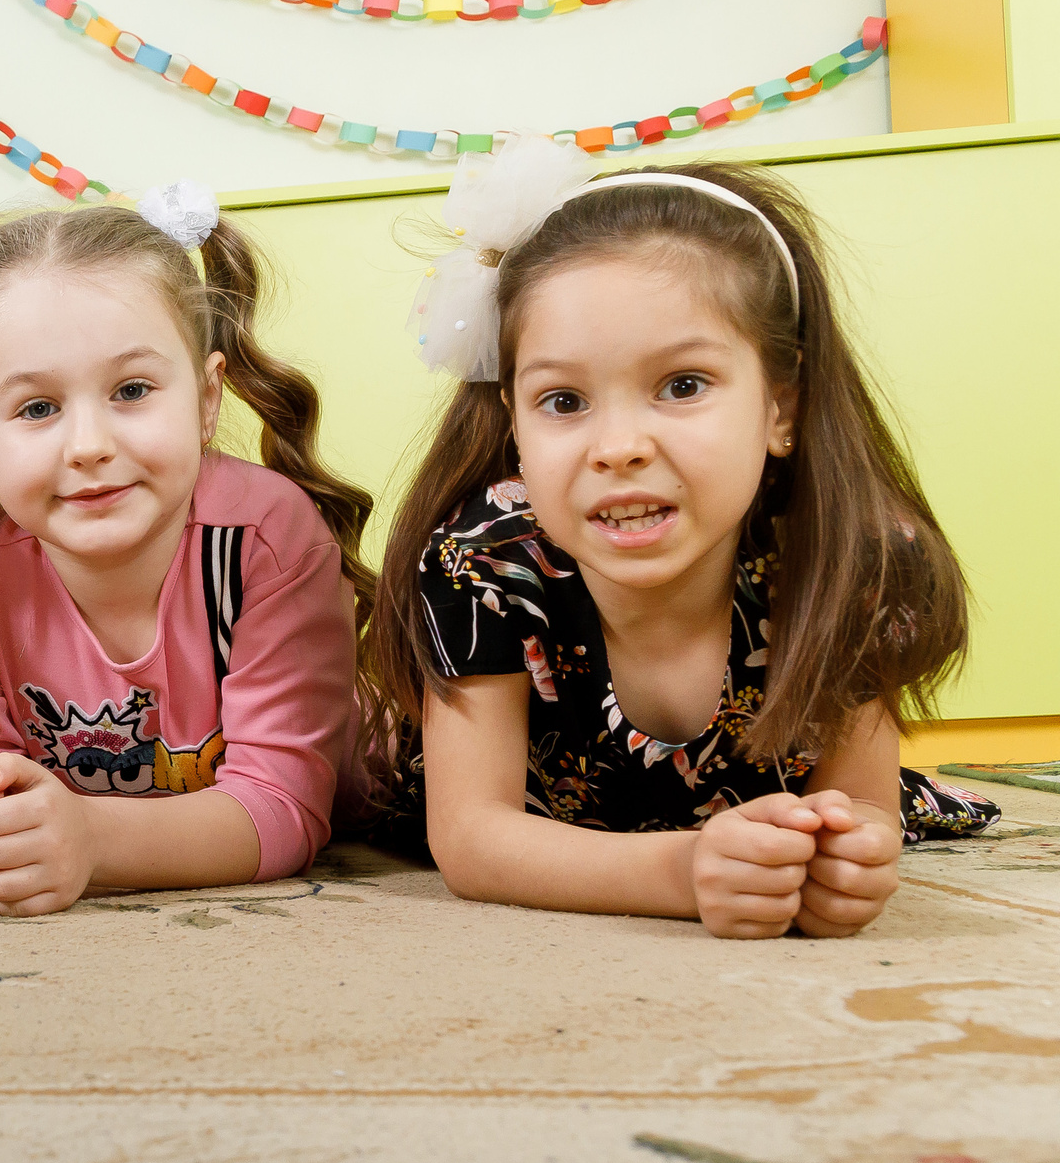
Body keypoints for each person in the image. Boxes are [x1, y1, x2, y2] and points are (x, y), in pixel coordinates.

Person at [373, 138, 998, 938]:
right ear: (516, 429)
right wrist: (682, 870)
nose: (619, 445)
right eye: (564, 401)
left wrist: (853, 852)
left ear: (782, 407)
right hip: (558, 821)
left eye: (682, 385)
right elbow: (471, 837)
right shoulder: (486, 561)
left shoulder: (850, 559)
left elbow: (861, 801)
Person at [0, 184, 372, 917]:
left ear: (207, 400)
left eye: (132, 389)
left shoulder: (264, 539)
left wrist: (92, 837)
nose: (89, 446)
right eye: (38, 408)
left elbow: (282, 808)